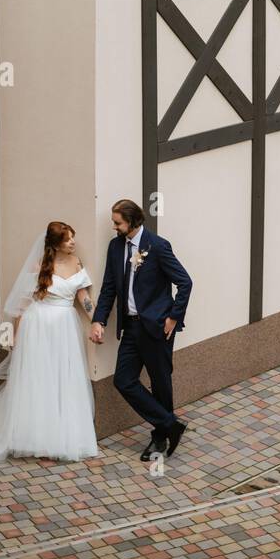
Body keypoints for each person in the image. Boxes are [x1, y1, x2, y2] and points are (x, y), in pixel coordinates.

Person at [0, 221, 99, 462]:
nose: (73, 242)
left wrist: (96, 321)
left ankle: (64, 432)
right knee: (39, 379)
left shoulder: (76, 262)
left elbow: (83, 297)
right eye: (67, 239)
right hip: (38, 327)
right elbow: (22, 306)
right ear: (55, 245)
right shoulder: (39, 267)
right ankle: (34, 435)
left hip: (65, 326)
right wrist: (16, 336)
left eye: (72, 238)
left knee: (63, 376)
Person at [89, 198, 193, 462]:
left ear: (133, 222)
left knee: (160, 382)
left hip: (157, 327)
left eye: (117, 222)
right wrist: (98, 320)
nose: (114, 227)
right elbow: (109, 287)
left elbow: (185, 282)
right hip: (131, 327)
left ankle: (160, 437)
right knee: (123, 380)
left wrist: (173, 317)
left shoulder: (157, 246)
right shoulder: (115, 248)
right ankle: (170, 424)